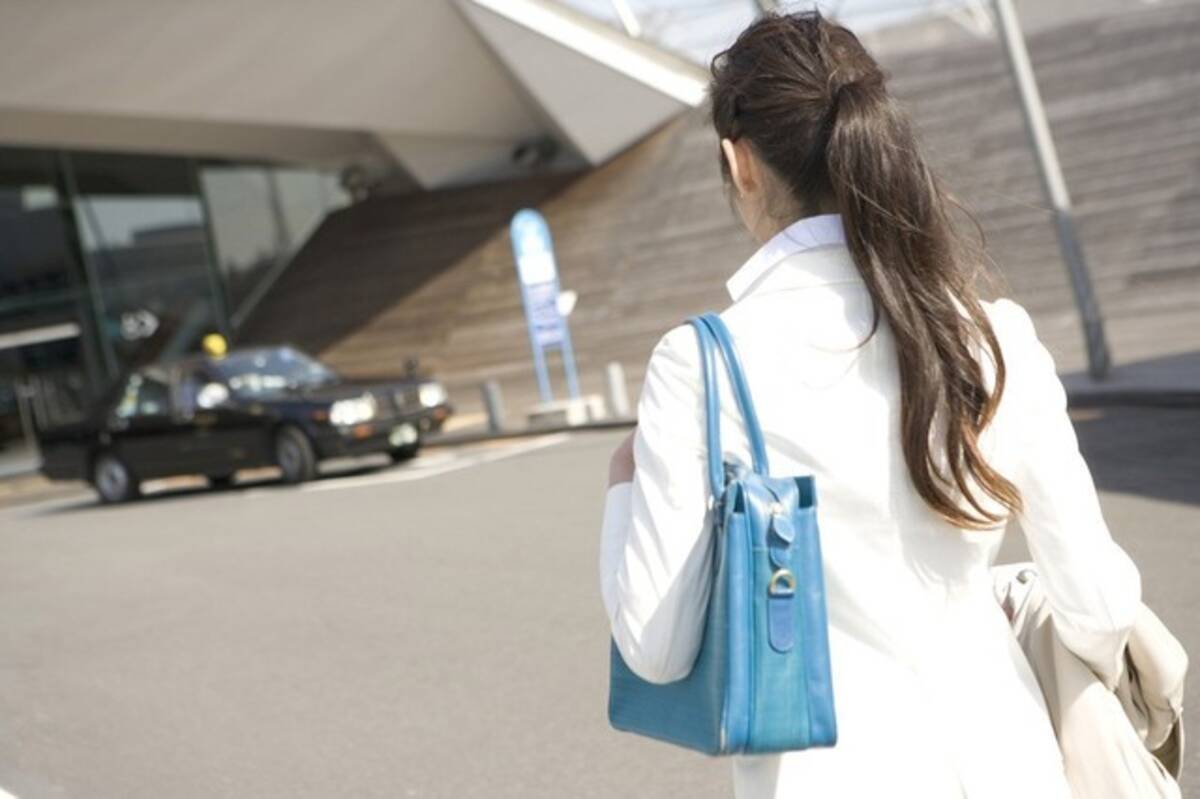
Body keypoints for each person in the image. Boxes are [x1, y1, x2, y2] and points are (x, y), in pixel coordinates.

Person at [598, 11, 1142, 798]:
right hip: (1012, 766)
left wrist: (623, 486)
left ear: (739, 163)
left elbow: (656, 648)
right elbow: (1098, 606)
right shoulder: (992, 335)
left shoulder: (704, 363)